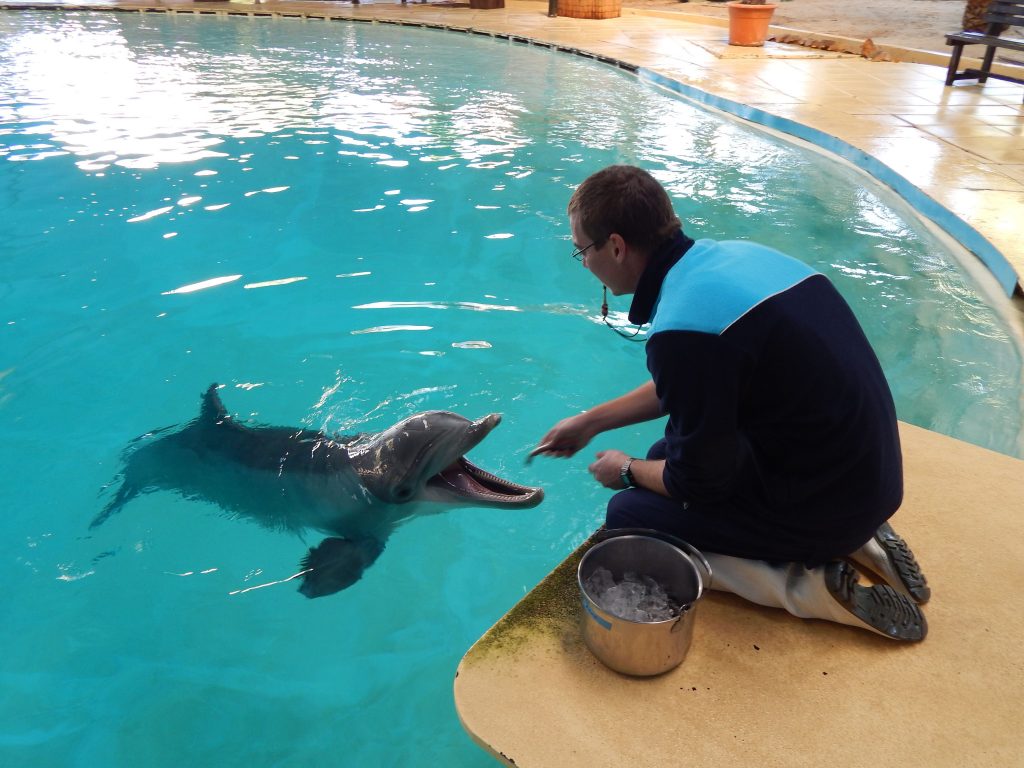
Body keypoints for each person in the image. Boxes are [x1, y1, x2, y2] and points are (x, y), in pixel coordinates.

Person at [533, 164, 930, 642]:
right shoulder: (737, 260)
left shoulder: (683, 332)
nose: (584, 263)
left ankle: (808, 587)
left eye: (583, 250)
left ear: (616, 246)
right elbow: (689, 383)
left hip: (831, 504)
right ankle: (867, 540)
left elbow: (696, 482)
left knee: (630, 517)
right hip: (869, 475)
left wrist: (623, 469)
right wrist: (591, 422)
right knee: (665, 452)